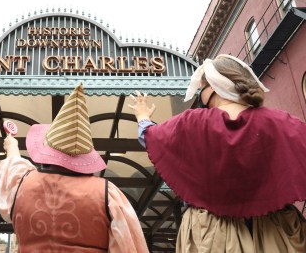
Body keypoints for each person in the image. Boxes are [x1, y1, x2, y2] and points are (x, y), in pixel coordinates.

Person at [129, 54, 306, 252]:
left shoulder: (192, 122)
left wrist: (142, 116)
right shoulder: (282, 122)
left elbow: (151, 137)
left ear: (212, 87)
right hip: (277, 231)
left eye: (201, 88)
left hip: (212, 234)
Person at [0, 83, 149, 252]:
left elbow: (13, 167)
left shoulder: (21, 184)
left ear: (47, 149)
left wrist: (12, 146)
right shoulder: (108, 194)